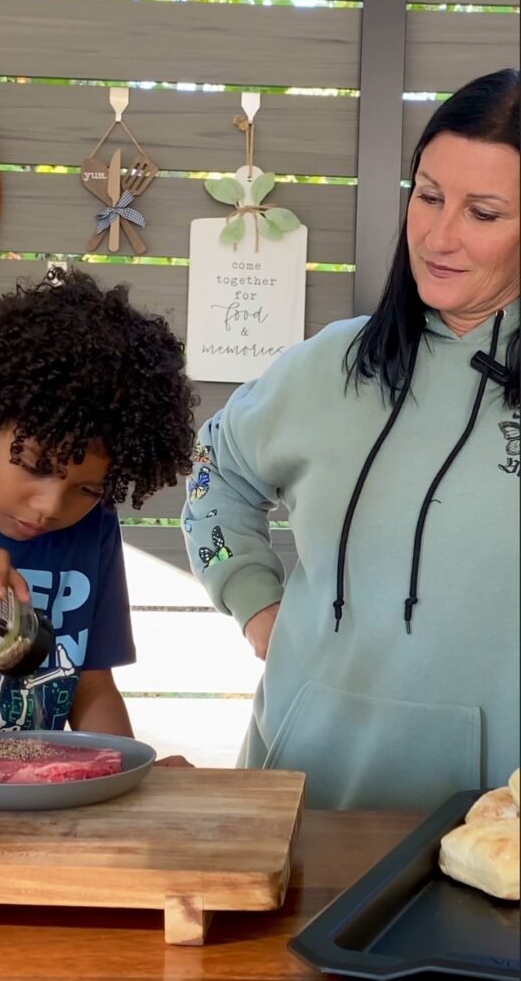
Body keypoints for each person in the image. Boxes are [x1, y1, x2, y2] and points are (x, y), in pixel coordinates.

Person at [181, 68, 520, 810]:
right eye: (428, 196)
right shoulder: (325, 365)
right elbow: (212, 472)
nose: (439, 236)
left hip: (495, 828)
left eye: (483, 213)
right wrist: (254, 603)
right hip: (297, 802)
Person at [0, 267, 197, 760]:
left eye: (88, 488)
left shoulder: (93, 528)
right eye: (35, 465)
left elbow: (91, 684)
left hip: (32, 791)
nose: (50, 507)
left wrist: (125, 772)